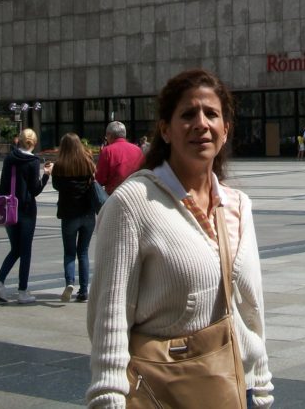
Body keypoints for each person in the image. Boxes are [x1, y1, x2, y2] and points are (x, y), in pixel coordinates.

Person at [86, 68, 273, 407]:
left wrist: (261, 387)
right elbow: (110, 320)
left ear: (225, 130)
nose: (201, 123)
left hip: (235, 386)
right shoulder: (133, 203)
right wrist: (108, 399)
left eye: (212, 114)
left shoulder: (237, 205)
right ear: (165, 130)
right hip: (164, 391)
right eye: (188, 114)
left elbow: (250, 310)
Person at [0, 128, 52, 304]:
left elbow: (3, 184)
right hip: (25, 209)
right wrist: (46, 175)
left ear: (19, 140)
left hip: (9, 207)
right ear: (34, 142)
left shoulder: (10, 158)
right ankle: (22, 290)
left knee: (15, 248)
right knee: (25, 251)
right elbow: (35, 190)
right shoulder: (33, 161)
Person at [51, 132, 98, 303]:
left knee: (69, 253)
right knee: (83, 252)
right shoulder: (87, 163)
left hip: (69, 214)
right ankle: (84, 290)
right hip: (87, 213)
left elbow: (56, 186)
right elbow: (95, 180)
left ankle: (70, 282)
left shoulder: (60, 165)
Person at [94, 120, 143, 196]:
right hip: (136, 194)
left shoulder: (107, 151)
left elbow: (100, 180)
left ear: (109, 135)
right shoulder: (138, 150)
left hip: (115, 197)